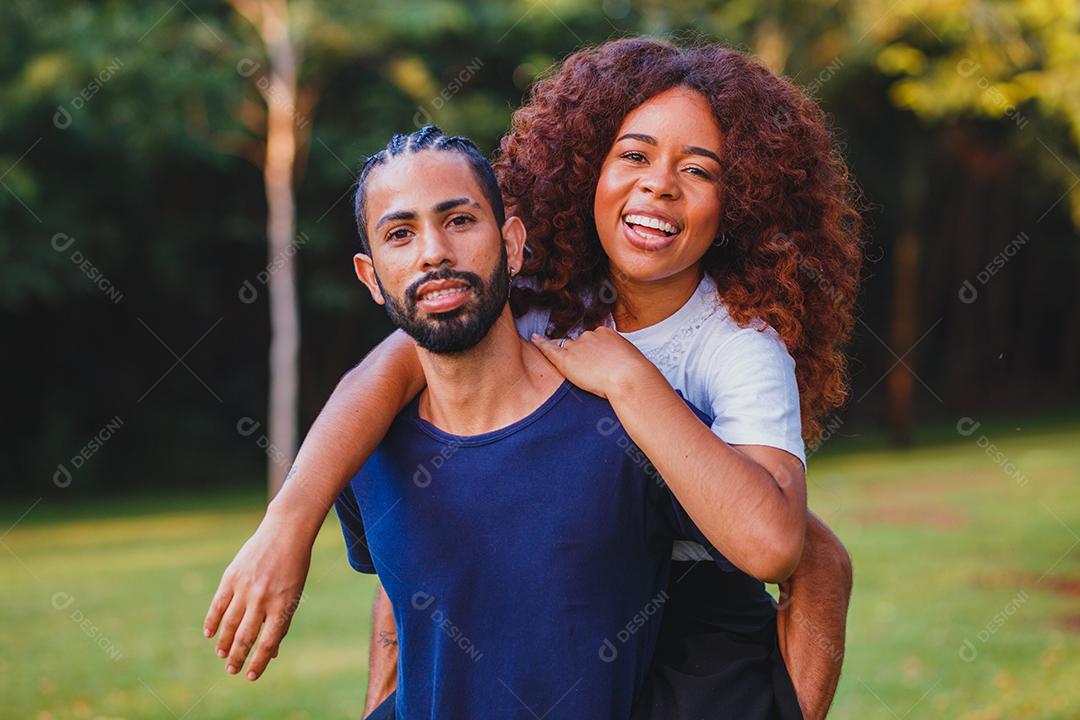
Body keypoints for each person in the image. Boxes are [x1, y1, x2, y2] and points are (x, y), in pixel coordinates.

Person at [205, 38, 860, 720]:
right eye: (634, 155)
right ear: (589, 168)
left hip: (689, 624)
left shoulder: (737, 347)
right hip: (560, 606)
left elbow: (794, 550)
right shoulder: (531, 297)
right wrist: (289, 523)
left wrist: (630, 378)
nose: (660, 184)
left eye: (698, 170)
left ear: (740, 201)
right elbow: (393, 372)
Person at [331, 124, 737, 719]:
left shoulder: (628, 425)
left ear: (512, 244)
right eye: (400, 233)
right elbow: (404, 594)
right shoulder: (365, 451)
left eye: (460, 220)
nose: (433, 252)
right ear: (371, 277)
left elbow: (803, 558)